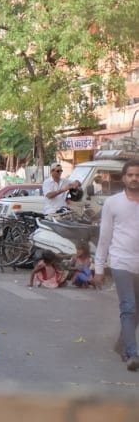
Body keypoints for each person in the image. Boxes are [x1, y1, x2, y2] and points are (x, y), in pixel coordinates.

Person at [93, 159, 139, 371]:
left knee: (136, 310)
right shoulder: (113, 203)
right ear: (123, 178)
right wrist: (99, 268)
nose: (134, 178)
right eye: (130, 175)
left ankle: (122, 344)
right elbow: (104, 238)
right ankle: (133, 354)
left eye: (137, 175)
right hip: (121, 262)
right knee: (128, 307)